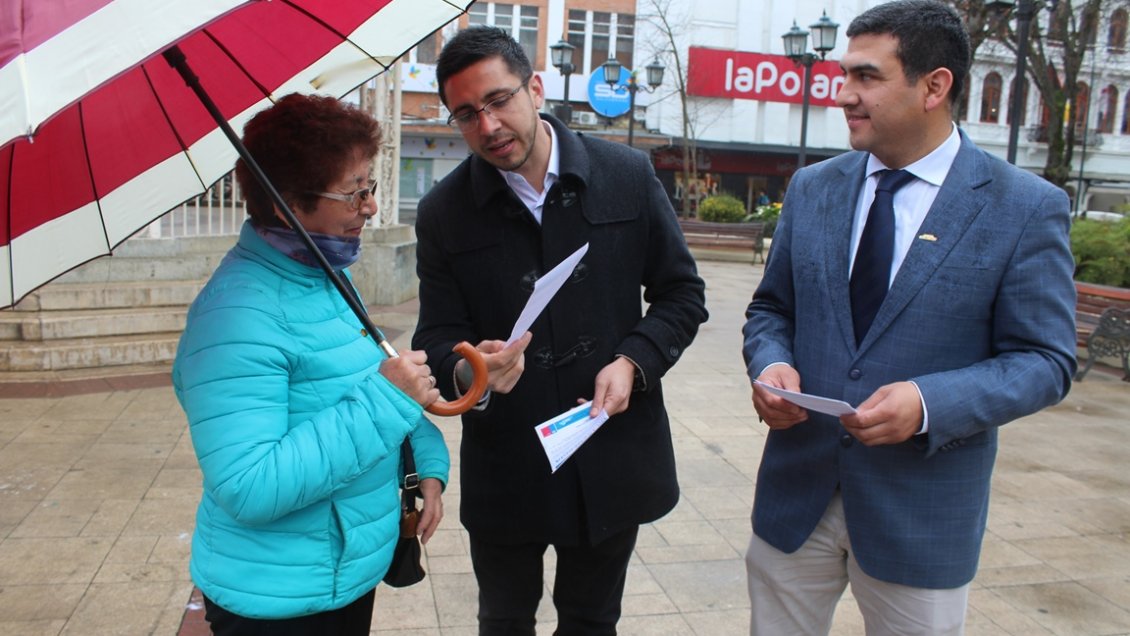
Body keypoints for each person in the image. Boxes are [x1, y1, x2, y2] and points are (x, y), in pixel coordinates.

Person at [741, 1, 1076, 634]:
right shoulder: (814, 188)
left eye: (866, 76)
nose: (843, 95)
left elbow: (1047, 361)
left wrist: (928, 402)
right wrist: (773, 362)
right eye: (844, 75)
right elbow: (771, 308)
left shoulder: (1024, 207)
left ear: (934, 85)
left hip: (920, 516)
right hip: (795, 499)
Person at [412, 26, 708, 635]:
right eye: (466, 114)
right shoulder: (444, 211)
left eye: (498, 101)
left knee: (592, 619)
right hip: (508, 458)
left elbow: (682, 294)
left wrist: (633, 361)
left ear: (535, 87)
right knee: (503, 618)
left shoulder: (626, 173)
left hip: (608, 446)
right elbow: (438, 336)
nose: (488, 126)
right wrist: (473, 368)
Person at [172, 93, 450, 635]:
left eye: (370, 187)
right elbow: (249, 484)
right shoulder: (235, 318)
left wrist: (429, 463)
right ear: (286, 204)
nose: (370, 207)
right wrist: (389, 397)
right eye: (354, 194)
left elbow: (362, 386)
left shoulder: (322, 274)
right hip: (279, 599)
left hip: (342, 575)